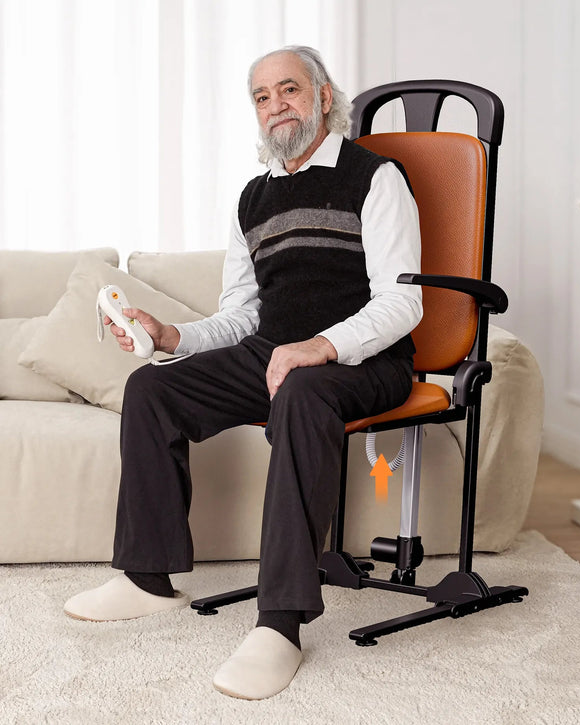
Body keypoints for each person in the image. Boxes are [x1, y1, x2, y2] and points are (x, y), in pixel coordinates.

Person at [64, 45, 422, 700]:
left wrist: (321, 345)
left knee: (303, 390)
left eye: (289, 89)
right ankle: (146, 578)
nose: (275, 105)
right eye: (262, 96)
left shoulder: (376, 177)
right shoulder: (253, 198)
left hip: (365, 361)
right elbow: (241, 315)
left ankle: (280, 622)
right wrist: (172, 336)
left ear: (322, 97)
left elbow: (404, 302)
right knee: (153, 386)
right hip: (274, 354)